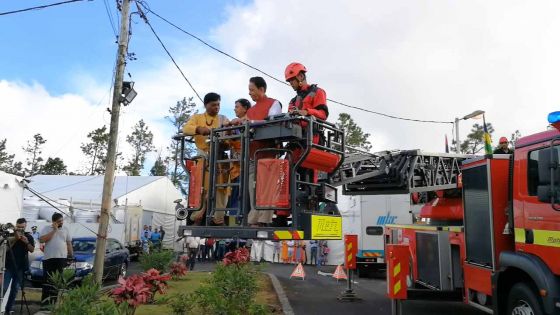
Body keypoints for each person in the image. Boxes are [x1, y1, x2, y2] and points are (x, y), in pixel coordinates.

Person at [183, 92, 230, 225]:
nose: (217, 107)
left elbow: (230, 131)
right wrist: (199, 129)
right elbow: (185, 128)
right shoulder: (197, 118)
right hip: (203, 156)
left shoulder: (223, 118)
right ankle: (197, 217)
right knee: (201, 188)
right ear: (206, 105)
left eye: (218, 104)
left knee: (222, 188)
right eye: (214, 105)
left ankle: (218, 219)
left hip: (220, 158)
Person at [226, 98, 252, 224]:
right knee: (236, 192)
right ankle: (236, 219)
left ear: (245, 108)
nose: (234, 109)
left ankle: (242, 218)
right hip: (236, 166)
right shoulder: (234, 123)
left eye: (237, 106)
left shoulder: (249, 120)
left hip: (245, 164)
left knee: (243, 193)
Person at [40, 213, 73, 307]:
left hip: (61, 259)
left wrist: (71, 255)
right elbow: (42, 240)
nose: (61, 223)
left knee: (57, 281)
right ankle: (45, 304)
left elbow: (69, 243)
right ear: (53, 222)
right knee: (47, 281)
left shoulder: (66, 229)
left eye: (62, 221)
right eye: (59, 221)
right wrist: (54, 230)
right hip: (49, 258)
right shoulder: (46, 228)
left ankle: (54, 304)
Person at [3, 218, 34, 314]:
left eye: (22, 228)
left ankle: (8, 309)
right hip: (8, 266)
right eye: (18, 228)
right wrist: (16, 237)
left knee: (14, 290)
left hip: (20, 267)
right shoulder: (10, 235)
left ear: (25, 227)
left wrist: (26, 242)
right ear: (15, 227)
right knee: (3, 288)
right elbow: (5, 249)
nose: (20, 230)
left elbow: (32, 249)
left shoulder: (28, 236)